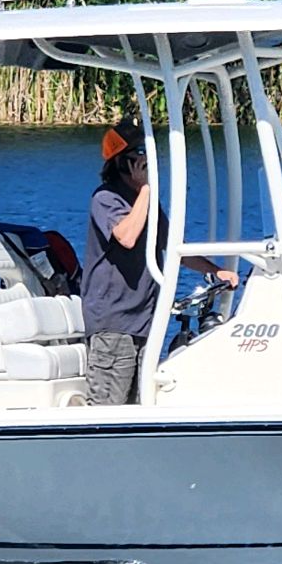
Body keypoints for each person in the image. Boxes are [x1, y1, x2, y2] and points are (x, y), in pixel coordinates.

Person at [82, 120, 238, 405]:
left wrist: (217, 271)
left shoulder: (145, 203)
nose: (146, 161)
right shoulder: (105, 198)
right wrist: (145, 190)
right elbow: (126, 237)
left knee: (142, 404)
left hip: (144, 322)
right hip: (114, 323)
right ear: (123, 162)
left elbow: (174, 247)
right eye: (139, 153)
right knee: (107, 408)